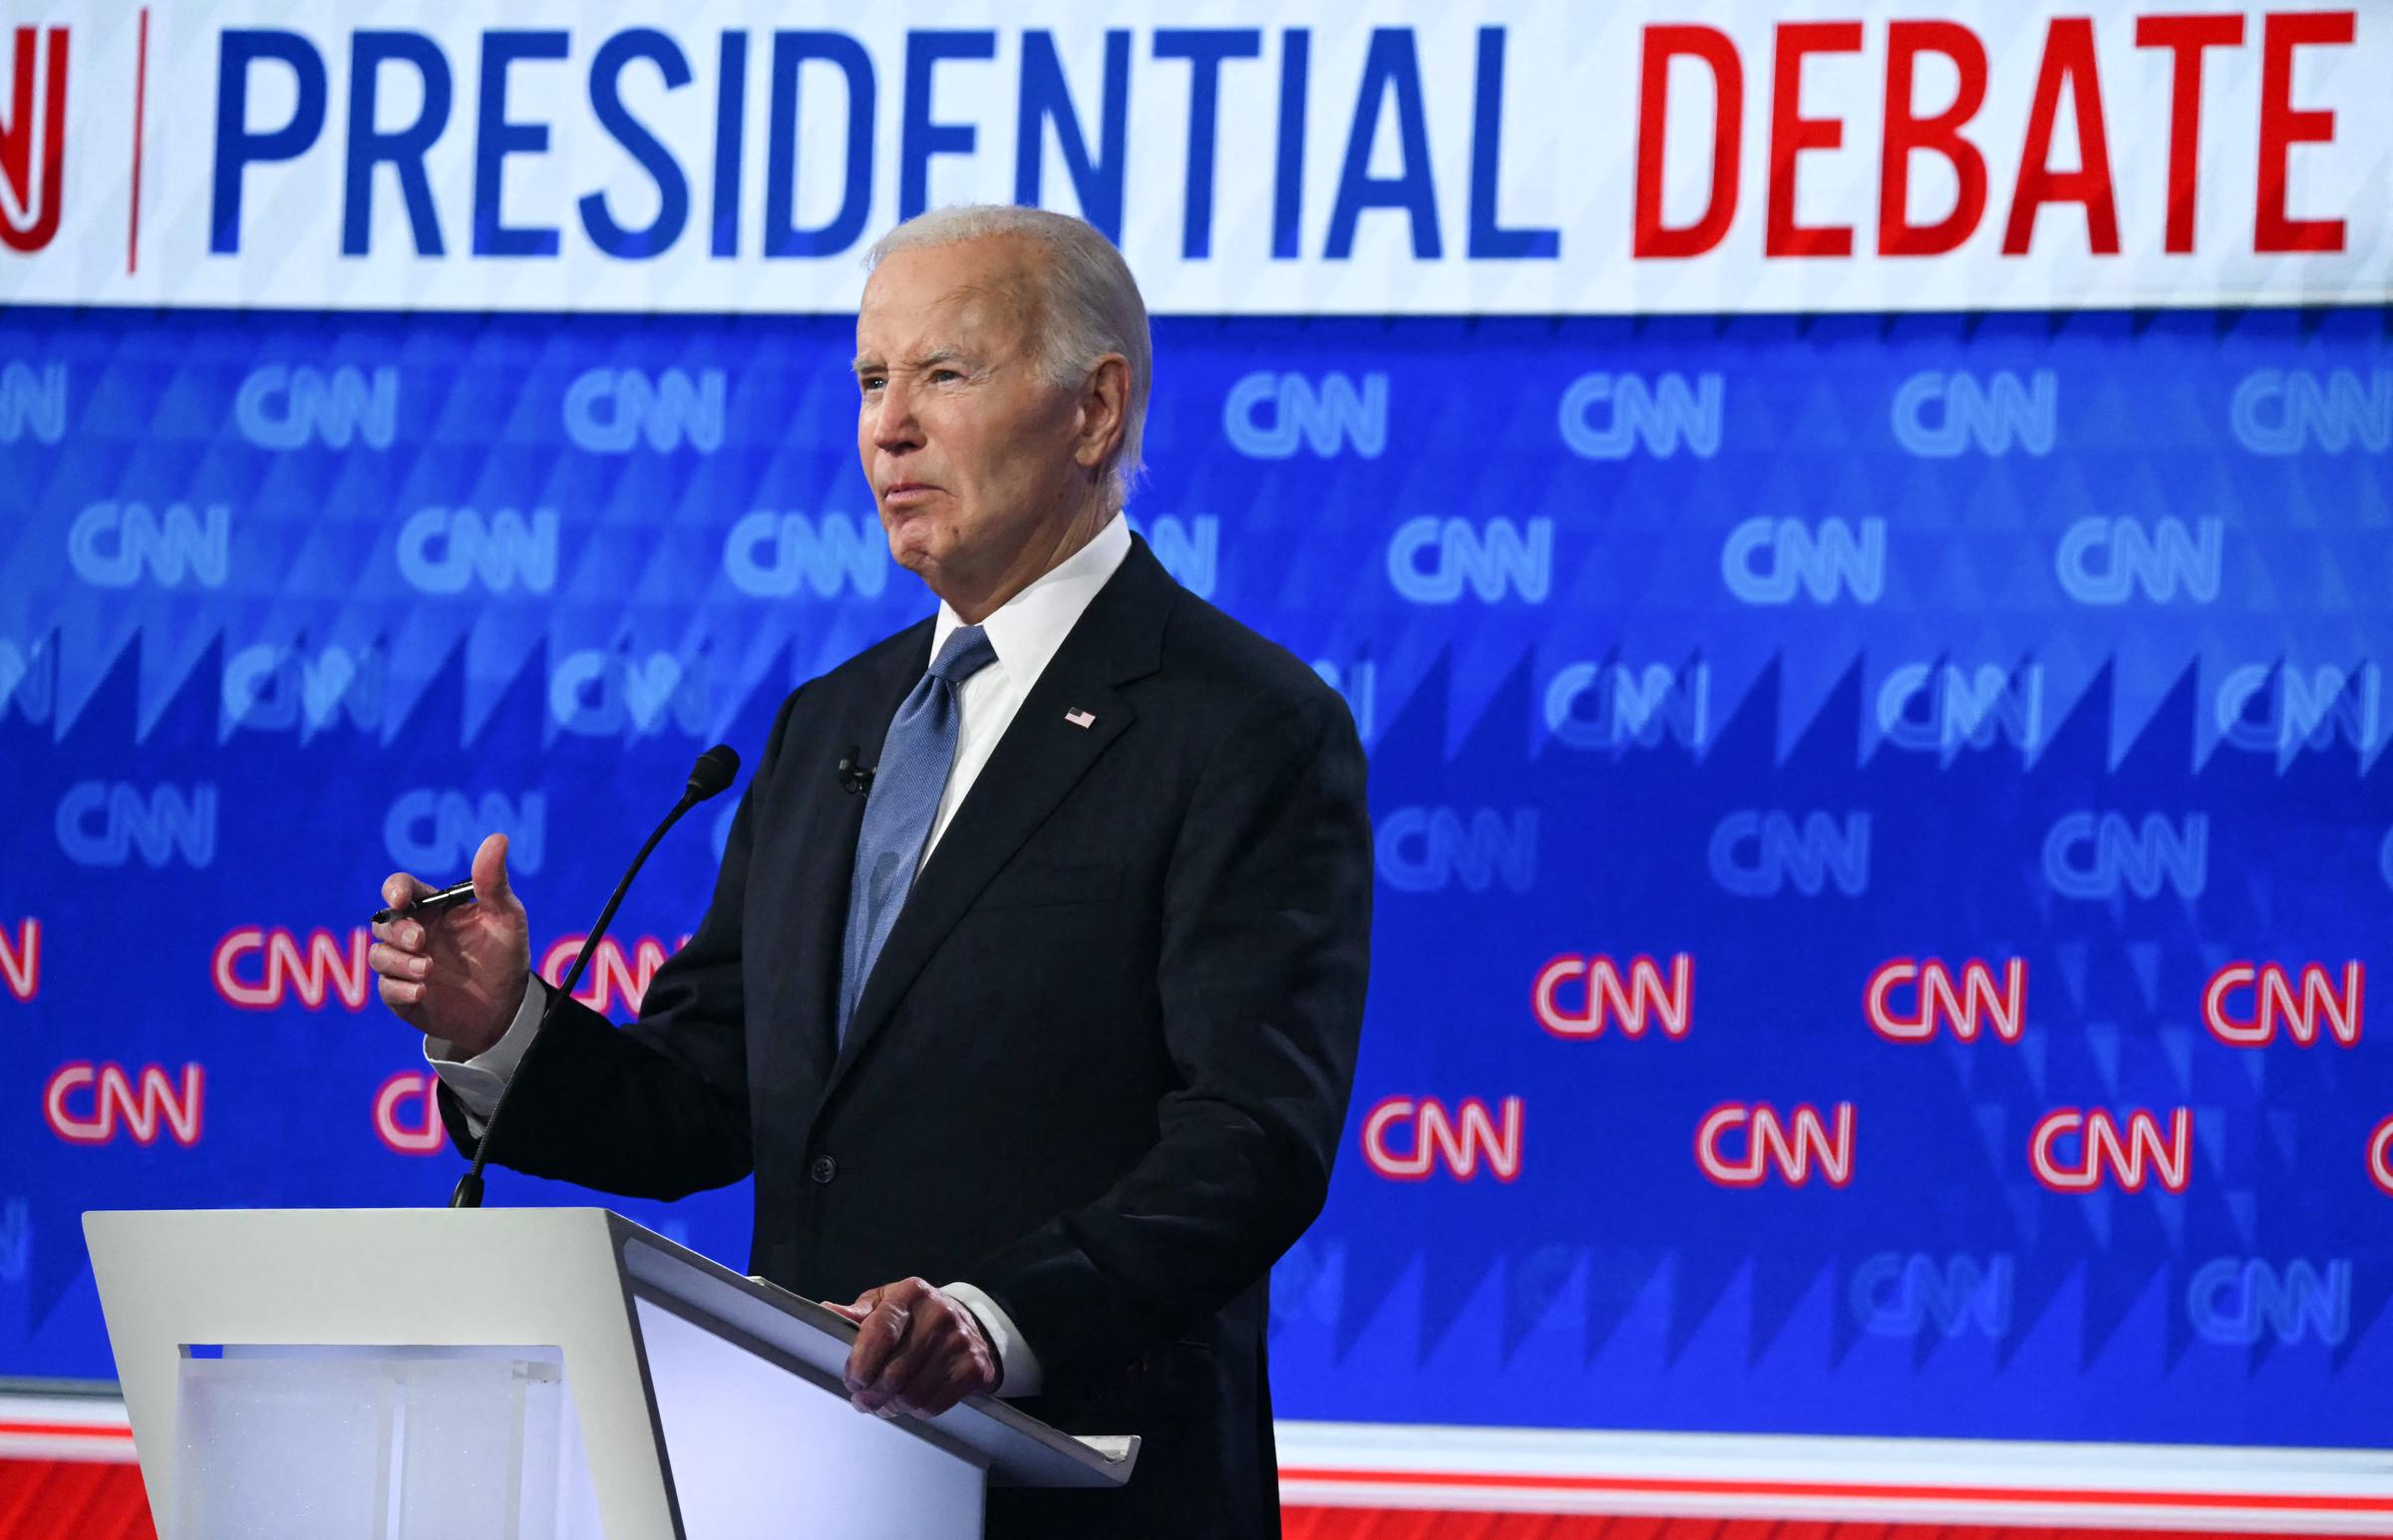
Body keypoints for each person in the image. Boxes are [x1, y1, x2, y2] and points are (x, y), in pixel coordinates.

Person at [367, 203, 1373, 1539]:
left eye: (944, 374)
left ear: (1094, 410)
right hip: (810, 1485)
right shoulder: (829, 724)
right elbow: (708, 1095)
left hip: (1084, 1496)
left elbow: (1250, 1137)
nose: (888, 426)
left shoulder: (1242, 724)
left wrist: (988, 1321)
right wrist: (503, 1031)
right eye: (869, 380)